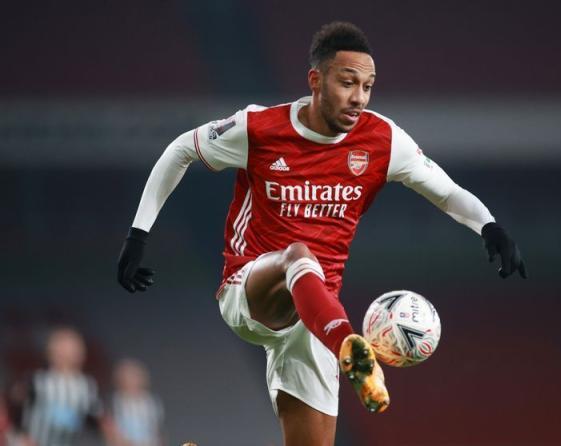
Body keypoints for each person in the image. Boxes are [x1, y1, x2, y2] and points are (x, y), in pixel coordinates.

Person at [117, 21, 526, 446]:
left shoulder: (383, 140)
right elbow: (181, 149)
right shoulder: (259, 128)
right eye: (348, 83)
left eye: (367, 87)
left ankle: (342, 346)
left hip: (316, 316)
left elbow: (446, 191)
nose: (359, 98)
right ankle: (352, 349)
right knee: (298, 253)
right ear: (316, 80)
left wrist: (490, 226)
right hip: (251, 290)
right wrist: (138, 235)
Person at [13, 327, 102, 446]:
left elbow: (96, 419)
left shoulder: (87, 385)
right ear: (51, 350)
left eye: (73, 346)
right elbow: (16, 409)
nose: (67, 351)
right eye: (62, 346)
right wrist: (21, 436)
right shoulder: (37, 380)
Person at [103, 359, 164, 446]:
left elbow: (157, 431)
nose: (133, 382)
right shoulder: (114, 403)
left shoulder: (150, 402)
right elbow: (110, 431)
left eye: (136, 377)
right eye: (129, 378)